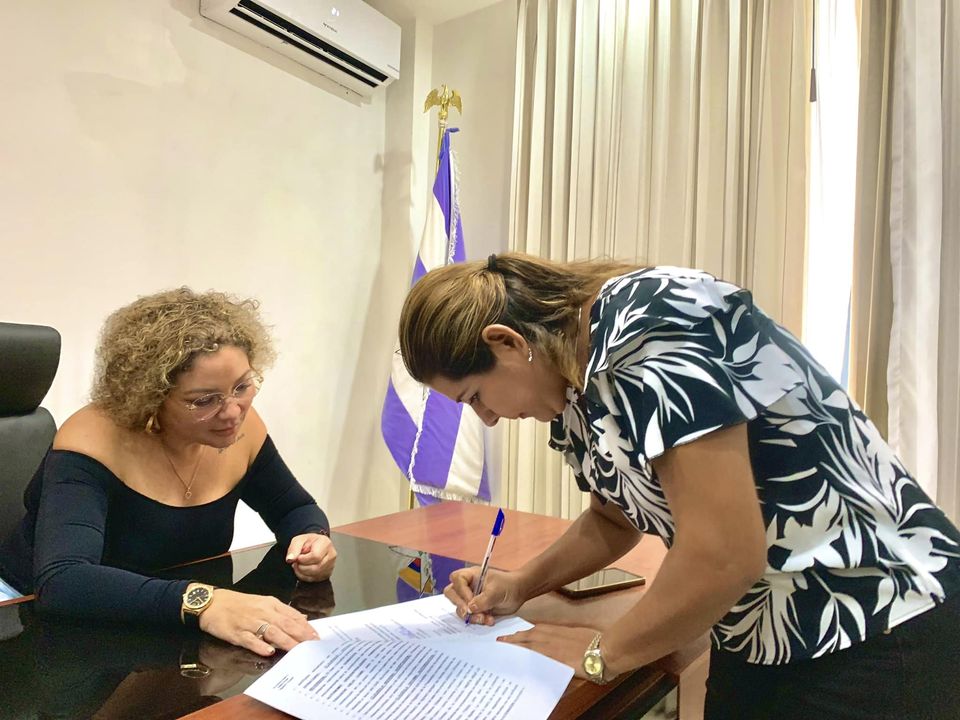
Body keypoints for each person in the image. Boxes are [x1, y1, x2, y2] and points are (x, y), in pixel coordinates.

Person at [398, 252, 960, 719]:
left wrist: (602, 654)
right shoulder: (570, 389)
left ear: (505, 342)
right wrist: (520, 584)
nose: (488, 418)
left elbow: (723, 553)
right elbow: (612, 518)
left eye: (475, 397)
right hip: (756, 625)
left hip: (880, 619)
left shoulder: (651, 324)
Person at [0, 288, 336, 657]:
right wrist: (204, 602)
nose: (232, 411)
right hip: (28, 619)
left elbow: (293, 508)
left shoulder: (240, 428)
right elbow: (64, 581)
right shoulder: (91, 440)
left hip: (158, 617)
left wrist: (311, 538)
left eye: (242, 386)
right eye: (204, 400)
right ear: (150, 396)